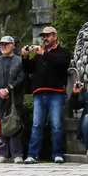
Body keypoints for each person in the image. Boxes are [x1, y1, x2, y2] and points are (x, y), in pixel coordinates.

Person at [21, 26, 71, 164]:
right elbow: (27, 69)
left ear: (55, 36)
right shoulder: (39, 54)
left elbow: (61, 62)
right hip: (39, 93)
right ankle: (32, 155)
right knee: (37, 125)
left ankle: (57, 154)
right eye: (43, 36)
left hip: (56, 93)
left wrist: (43, 53)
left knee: (56, 124)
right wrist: (24, 57)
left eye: (47, 36)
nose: (45, 38)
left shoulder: (63, 51)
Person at [0, 35, 25, 163]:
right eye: (1, 44)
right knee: (0, 127)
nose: (3, 46)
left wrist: (8, 89)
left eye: (6, 44)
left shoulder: (20, 61)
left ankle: (17, 154)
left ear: (13, 46)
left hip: (15, 99)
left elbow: (21, 78)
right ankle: (2, 154)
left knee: (15, 125)